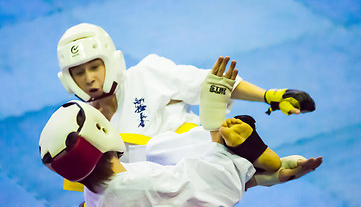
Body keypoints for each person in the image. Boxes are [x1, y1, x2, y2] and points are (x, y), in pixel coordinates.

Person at [56, 23, 316, 191]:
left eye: (94, 67)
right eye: (79, 72)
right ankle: (263, 172)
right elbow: (97, 187)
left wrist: (271, 96)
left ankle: (260, 168)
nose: (89, 78)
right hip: (162, 196)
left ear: (109, 61)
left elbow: (214, 85)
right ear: (69, 78)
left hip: (203, 162)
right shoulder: (78, 125)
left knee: (158, 149)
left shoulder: (147, 74)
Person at [39, 100, 322, 207]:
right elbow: (212, 188)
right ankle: (248, 154)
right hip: (216, 185)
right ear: (102, 131)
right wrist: (236, 148)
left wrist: (266, 177)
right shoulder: (134, 187)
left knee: (162, 153)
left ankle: (257, 166)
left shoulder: (99, 193)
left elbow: (179, 183)